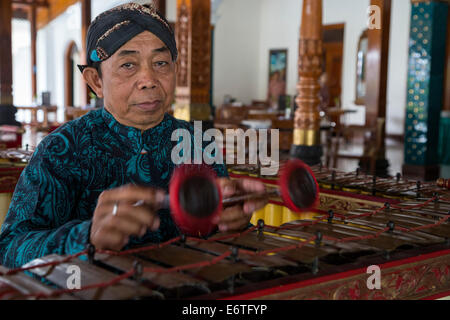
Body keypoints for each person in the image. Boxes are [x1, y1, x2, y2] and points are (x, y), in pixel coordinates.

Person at [0, 3, 267, 269]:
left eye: (161, 63)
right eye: (128, 65)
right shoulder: (62, 149)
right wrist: (86, 236)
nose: (148, 79)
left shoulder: (197, 141)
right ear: (96, 81)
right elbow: (10, 247)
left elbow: (218, 233)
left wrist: (234, 221)